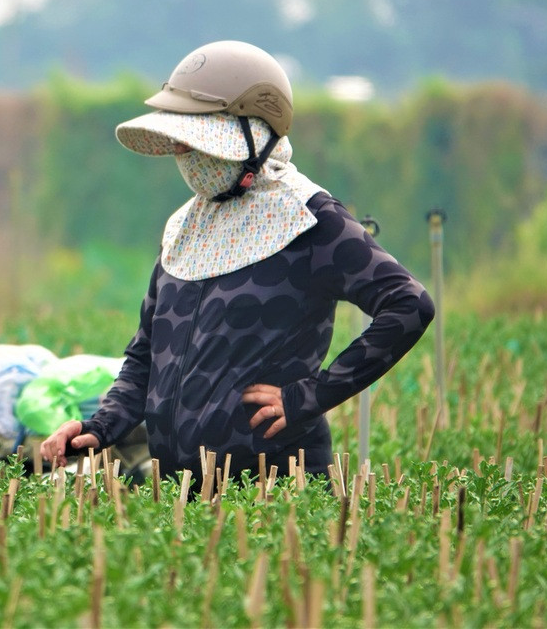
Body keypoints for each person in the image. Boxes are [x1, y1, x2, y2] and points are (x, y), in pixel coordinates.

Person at [40, 40, 434, 488]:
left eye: (201, 144)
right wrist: (98, 428)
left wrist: (311, 396)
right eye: (182, 145)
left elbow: (408, 304)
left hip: (275, 494)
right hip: (180, 495)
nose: (187, 158)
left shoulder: (309, 218)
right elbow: (147, 356)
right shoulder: (186, 227)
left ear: (256, 137)